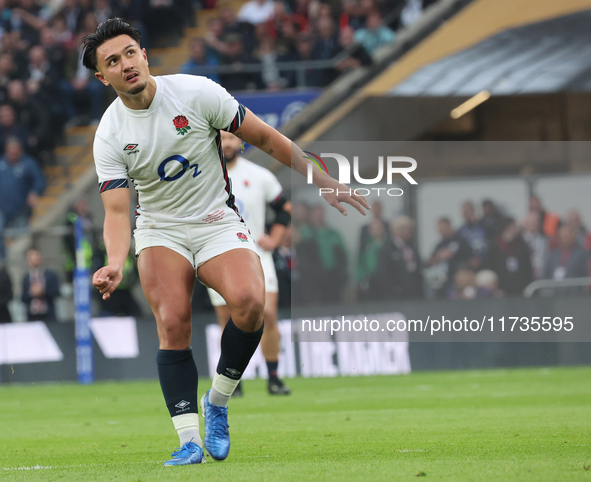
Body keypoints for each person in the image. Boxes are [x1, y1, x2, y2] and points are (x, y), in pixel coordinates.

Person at [83, 18, 367, 467]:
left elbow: (269, 139)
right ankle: (188, 441)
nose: (126, 64)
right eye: (112, 61)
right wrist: (115, 261)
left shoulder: (197, 93)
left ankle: (217, 401)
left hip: (216, 220)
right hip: (160, 229)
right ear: (103, 76)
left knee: (251, 302)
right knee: (174, 322)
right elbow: (118, 212)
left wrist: (323, 180)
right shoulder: (110, 134)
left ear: (144, 54)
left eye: (130, 52)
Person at [206, 130, 291, 396]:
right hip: (217, 256)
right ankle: (233, 380)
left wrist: (275, 239)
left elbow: (284, 209)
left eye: (231, 138)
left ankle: (274, 377)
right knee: (227, 319)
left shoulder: (259, 176)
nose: (227, 143)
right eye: (222, 138)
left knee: (268, 314)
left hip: (256, 255)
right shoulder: (203, 175)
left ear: (240, 142)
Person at [0, 136, 45, 230]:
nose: (13, 153)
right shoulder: (1, 163)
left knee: (19, 239)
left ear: (20, 150)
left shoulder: (28, 164)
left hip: (21, 212)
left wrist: (35, 192)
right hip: (2, 211)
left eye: (15, 150)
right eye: (10, 150)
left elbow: (40, 180)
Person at [21, 248, 60, 322]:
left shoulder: (51, 275)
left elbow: (56, 292)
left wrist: (42, 291)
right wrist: (32, 293)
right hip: (32, 316)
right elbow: (23, 297)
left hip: (48, 315)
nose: (34, 259)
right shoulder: (26, 278)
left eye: (36, 255)